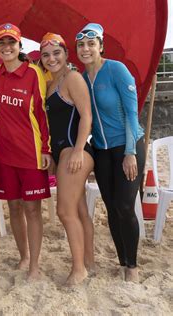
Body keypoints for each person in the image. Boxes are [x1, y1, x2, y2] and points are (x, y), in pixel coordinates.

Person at [76, 23, 145, 282]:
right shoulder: (81, 79)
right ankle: (122, 260)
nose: (86, 49)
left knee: (126, 206)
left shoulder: (116, 70)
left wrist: (130, 153)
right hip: (102, 150)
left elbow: (131, 113)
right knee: (112, 207)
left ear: (100, 46)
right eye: (81, 45)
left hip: (128, 145)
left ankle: (133, 267)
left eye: (91, 44)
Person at [0, 23, 51, 281]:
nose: (7, 47)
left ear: (19, 46)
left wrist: (45, 148)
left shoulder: (33, 73)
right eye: (2, 43)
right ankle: (24, 256)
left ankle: (35, 266)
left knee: (32, 210)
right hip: (4, 156)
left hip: (30, 154)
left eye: (11, 43)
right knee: (13, 208)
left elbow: (42, 113)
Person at [39, 32, 95, 285]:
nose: (52, 58)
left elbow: (86, 116)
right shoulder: (51, 84)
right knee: (80, 211)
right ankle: (89, 262)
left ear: (66, 54)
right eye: (46, 55)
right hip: (63, 150)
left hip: (76, 150)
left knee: (64, 211)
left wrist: (77, 150)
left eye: (56, 53)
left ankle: (78, 269)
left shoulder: (73, 78)